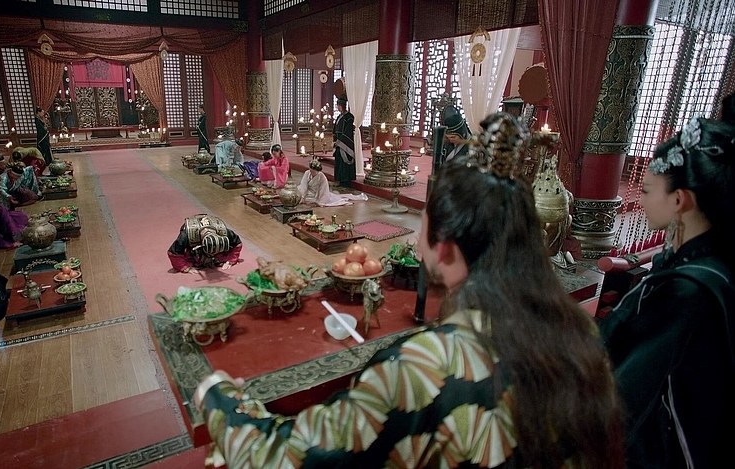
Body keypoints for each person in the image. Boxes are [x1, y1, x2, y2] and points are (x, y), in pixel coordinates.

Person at [192, 113, 624, 468]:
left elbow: (289, 456)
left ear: (445, 247)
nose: (417, 242)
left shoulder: (424, 366)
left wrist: (218, 396)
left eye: (424, 227)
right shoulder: (579, 335)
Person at [599, 110, 735, 468]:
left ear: (679, 200)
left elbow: (627, 396)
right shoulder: (712, 267)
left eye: (647, 190)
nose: (641, 200)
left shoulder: (685, 293)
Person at [167, 214, 243, 274]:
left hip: (218, 251)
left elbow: (237, 243)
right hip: (195, 251)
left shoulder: (224, 232)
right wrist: (185, 267)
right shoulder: (187, 235)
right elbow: (173, 252)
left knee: (220, 258)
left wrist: (230, 260)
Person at [297, 158, 368, 206]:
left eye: (314, 172)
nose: (312, 173)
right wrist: (302, 197)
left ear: (318, 171)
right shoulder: (307, 173)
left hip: (317, 194)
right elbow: (304, 186)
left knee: (319, 201)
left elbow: (323, 189)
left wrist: (321, 202)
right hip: (307, 193)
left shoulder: (322, 177)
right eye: (311, 171)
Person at [332, 97, 356, 187]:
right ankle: (339, 179)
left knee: (344, 162)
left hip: (345, 143)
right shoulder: (339, 117)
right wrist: (335, 140)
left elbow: (348, 131)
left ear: (342, 106)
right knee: (339, 161)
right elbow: (335, 129)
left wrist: (341, 140)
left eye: (338, 105)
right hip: (338, 142)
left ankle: (345, 180)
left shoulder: (349, 117)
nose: (337, 107)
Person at [34, 107, 53, 171]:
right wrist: (45, 131)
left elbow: (44, 126)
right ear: (38, 112)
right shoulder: (37, 119)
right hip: (42, 137)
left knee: (47, 148)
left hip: (44, 136)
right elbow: (40, 129)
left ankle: (49, 161)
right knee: (43, 149)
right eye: (42, 112)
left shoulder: (41, 119)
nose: (43, 114)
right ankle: (44, 162)